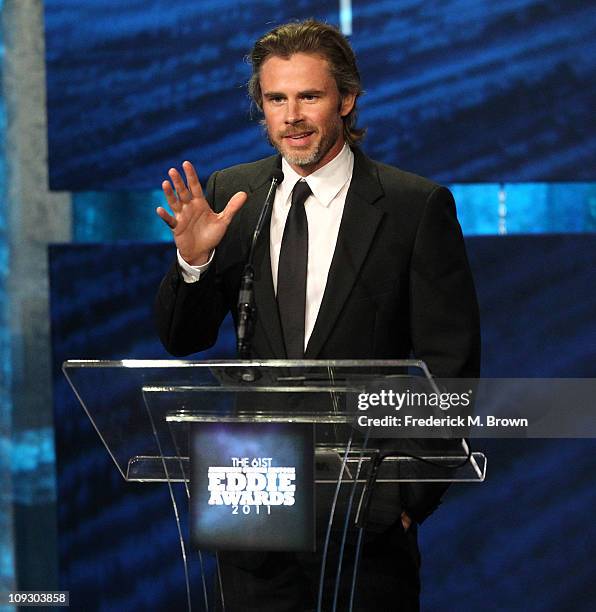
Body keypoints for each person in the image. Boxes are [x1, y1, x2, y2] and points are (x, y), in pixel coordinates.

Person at [155, 19, 480, 611]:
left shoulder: (414, 206)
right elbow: (184, 337)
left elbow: (450, 368)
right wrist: (193, 262)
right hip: (252, 497)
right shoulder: (235, 194)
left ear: (347, 99)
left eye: (310, 96)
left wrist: (409, 499)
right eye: (276, 99)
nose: (292, 116)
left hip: (365, 509)